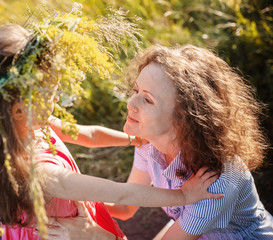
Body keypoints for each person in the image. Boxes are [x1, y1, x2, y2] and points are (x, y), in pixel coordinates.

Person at [0, 24, 223, 240]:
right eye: (48, 93)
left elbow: (88, 135)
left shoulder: (29, 125)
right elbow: (121, 193)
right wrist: (184, 196)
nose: (55, 98)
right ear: (17, 109)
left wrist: (132, 138)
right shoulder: (41, 173)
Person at [50, 44, 273, 239]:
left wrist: (93, 235)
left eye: (147, 99)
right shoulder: (148, 143)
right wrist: (68, 205)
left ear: (185, 118)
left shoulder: (215, 183)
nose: (130, 103)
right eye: (135, 90)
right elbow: (125, 207)